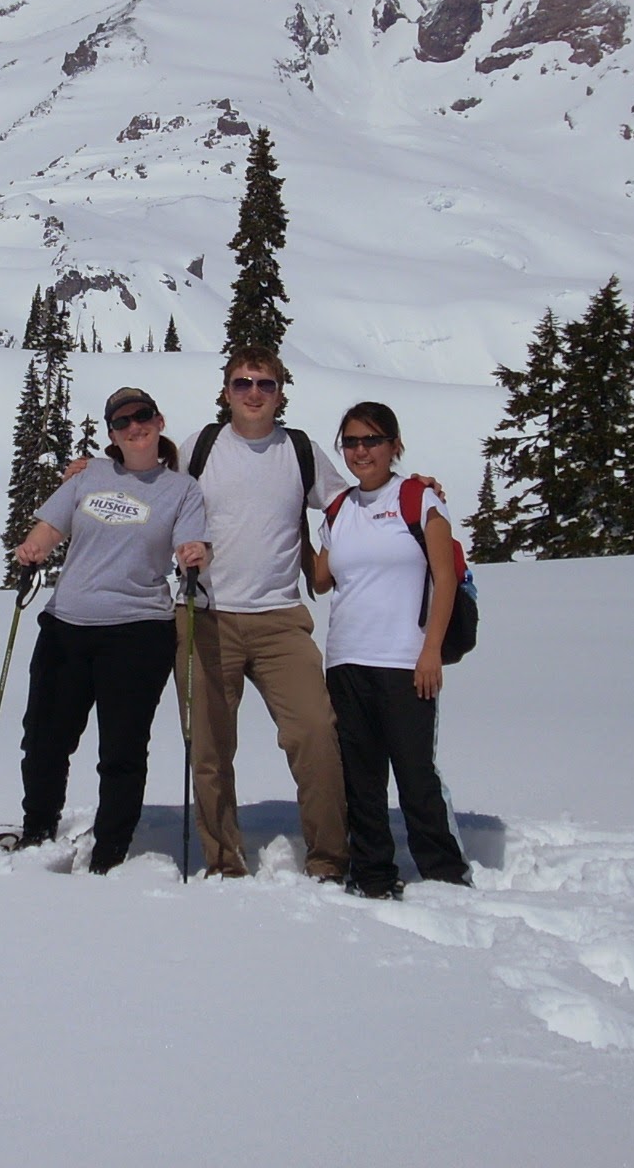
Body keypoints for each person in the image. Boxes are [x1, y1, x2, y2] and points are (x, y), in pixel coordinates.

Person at [7, 387, 210, 873]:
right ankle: (37, 828)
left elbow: (190, 541)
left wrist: (192, 555)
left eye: (142, 416)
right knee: (44, 738)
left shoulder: (182, 489)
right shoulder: (89, 474)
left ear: (159, 422)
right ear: (112, 435)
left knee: (120, 747)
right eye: (122, 422)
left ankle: (111, 848)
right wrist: (34, 547)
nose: (134, 427)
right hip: (66, 624)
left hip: (138, 631)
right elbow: (51, 526)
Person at [177, 348, 353, 881]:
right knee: (208, 750)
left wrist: (411, 492)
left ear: (281, 392)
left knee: (316, 734)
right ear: (226, 390)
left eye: (266, 384)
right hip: (205, 617)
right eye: (242, 383)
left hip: (281, 619)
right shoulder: (201, 447)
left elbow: (350, 504)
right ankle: (224, 860)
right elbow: (160, 496)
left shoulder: (299, 450)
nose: (254, 393)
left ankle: (328, 858)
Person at [311, 400, 472, 898]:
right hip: (346, 661)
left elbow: (444, 579)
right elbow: (319, 579)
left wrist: (430, 652)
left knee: (415, 773)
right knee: (361, 779)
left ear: (394, 446)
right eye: (352, 443)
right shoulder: (339, 509)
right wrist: (283, 518)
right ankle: (373, 874)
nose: (362, 452)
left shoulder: (419, 499)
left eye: (372, 440)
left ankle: (444, 872)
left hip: (405, 661)